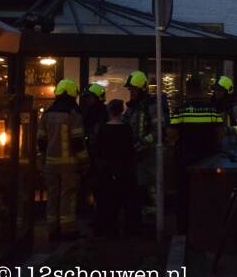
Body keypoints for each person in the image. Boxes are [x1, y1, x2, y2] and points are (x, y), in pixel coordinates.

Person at [170, 77, 222, 234]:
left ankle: (184, 229)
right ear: (202, 89)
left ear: (187, 90)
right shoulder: (213, 110)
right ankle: (207, 227)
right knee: (207, 194)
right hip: (208, 159)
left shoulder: (180, 110)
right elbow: (219, 135)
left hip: (185, 157)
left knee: (184, 194)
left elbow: (172, 135)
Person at [38, 79, 88, 241]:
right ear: (72, 95)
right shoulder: (73, 114)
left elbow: (41, 140)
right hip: (69, 165)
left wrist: (42, 160)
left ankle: (52, 229)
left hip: (50, 164)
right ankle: (67, 230)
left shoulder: (47, 114)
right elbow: (77, 141)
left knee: (52, 196)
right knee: (68, 196)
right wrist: (85, 161)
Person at [123, 70, 168, 217]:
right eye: (130, 90)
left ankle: (157, 215)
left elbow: (159, 130)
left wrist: (142, 143)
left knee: (152, 184)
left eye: (133, 90)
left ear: (142, 89)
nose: (131, 93)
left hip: (150, 153)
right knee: (140, 184)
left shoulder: (153, 106)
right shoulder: (132, 108)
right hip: (138, 154)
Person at [92, 99, 140, 236]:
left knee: (106, 200)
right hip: (124, 168)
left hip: (106, 169)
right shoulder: (126, 129)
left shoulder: (103, 129)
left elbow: (97, 149)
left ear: (109, 111)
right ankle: (128, 228)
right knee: (126, 199)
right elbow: (130, 149)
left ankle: (107, 228)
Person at [79, 83, 107, 216]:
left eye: (90, 97)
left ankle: (99, 214)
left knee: (99, 186)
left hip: (99, 156)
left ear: (97, 98)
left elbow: (96, 135)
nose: (87, 101)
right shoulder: (90, 114)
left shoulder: (101, 114)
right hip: (92, 154)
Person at [211, 75, 237, 149]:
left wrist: (227, 130)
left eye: (220, 90)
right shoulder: (216, 106)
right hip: (221, 146)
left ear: (228, 91)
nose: (216, 92)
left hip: (234, 147)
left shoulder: (236, 107)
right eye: (215, 90)